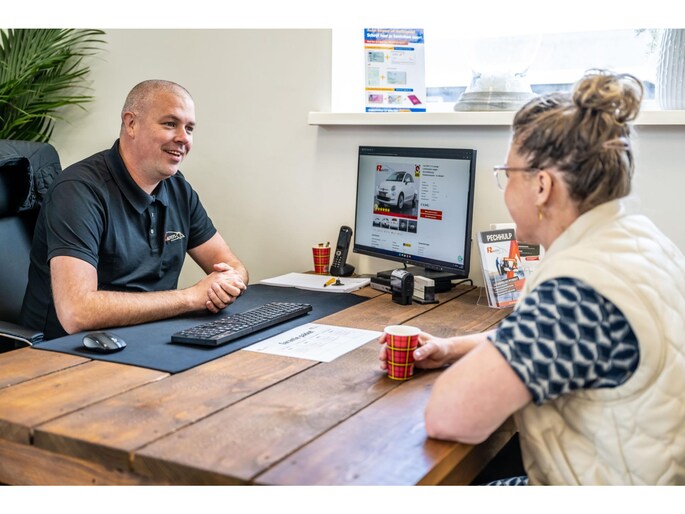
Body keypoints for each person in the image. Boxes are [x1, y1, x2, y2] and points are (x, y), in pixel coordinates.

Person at [379, 69, 685, 485]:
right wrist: (450, 348)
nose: (505, 189)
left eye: (507, 175)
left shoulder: (580, 288)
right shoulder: (638, 243)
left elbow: (448, 416)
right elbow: (557, 340)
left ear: (542, 186)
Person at [20, 79, 248, 339]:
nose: (183, 138)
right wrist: (190, 298)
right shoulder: (78, 190)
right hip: (71, 350)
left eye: (189, 128)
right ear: (131, 124)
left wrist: (227, 283)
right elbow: (77, 313)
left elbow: (233, 266)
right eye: (170, 124)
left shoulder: (178, 189)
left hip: (152, 338)